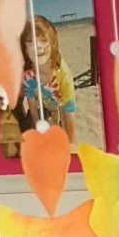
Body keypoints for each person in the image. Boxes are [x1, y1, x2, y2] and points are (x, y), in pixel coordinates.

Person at [19, 16, 77, 144]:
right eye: (31, 42)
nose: (38, 46)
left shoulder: (62, 74)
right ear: (25, 49)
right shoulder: (28, 76)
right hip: (44, 106)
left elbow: (69, 111)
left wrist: (70, 144)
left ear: (53, 44)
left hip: (60, 105)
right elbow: (33, 108)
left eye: (44, 40)